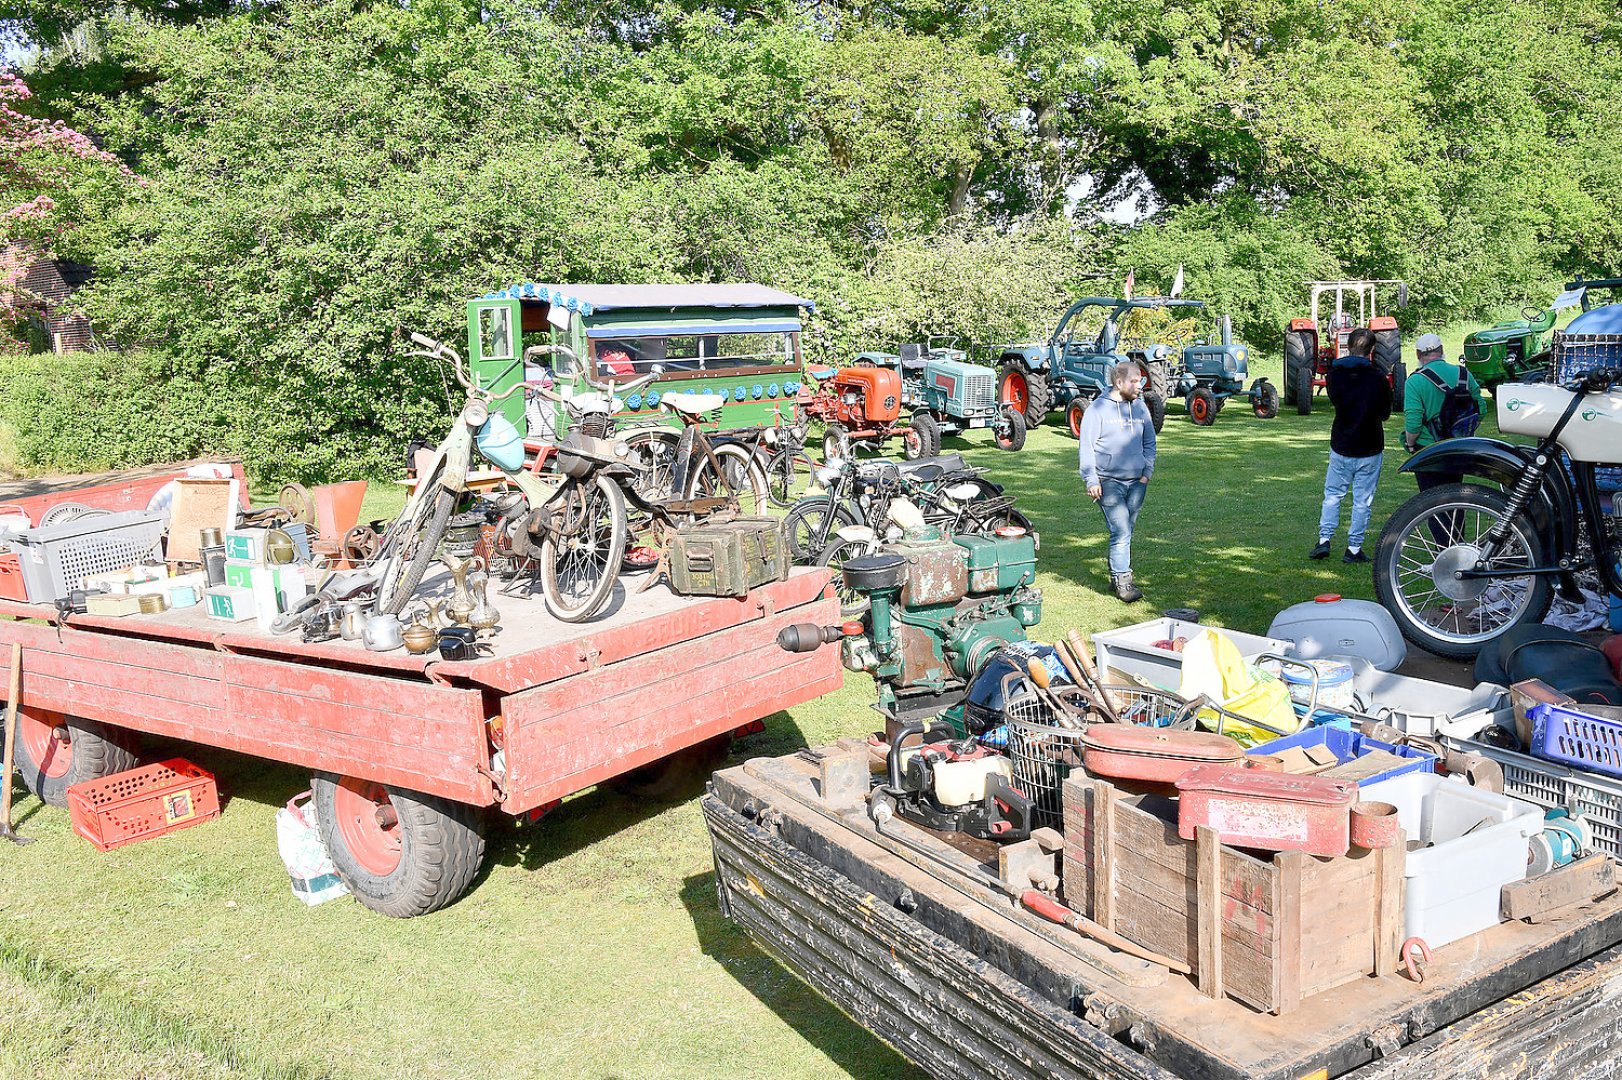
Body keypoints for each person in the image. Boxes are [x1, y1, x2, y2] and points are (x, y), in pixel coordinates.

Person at [1077, 361, 1156, 602]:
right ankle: (1124, 583)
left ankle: (1116, 576)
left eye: (1141, 380)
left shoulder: (1141, 408)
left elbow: (1150, 442)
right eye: (1134, 381)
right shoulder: (1097, 410)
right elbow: (1086, 447)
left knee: (1126, 531)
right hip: (1109, 482)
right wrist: (1091, 480)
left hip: (1137, 482)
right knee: (1121, 531)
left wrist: (1146, 473)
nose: (1139, 386)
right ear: (1119, 382)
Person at [1311, 327, 1391, 564]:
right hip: (1370, 444)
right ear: (1372, 349)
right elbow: (1385, 412)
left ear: (1348, 346)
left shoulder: (1335, 374)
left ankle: (1324, 540)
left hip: (1342, 442)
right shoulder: (1377, 377)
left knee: (1333, 495)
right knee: (1362, 500)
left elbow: (1335, 400)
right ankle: (1354, 548)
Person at [1403, 332, 1485, 490]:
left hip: (1429, 448)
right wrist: (1463, 428)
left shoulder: (1415, 381)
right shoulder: (1463, 374)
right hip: (1458, 445)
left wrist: (1411, 445)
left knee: (1431, 499)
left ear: (1418, 354)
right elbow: (1481, 408)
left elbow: (1413, 423)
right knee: (1455, 493)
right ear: (1441, 350)